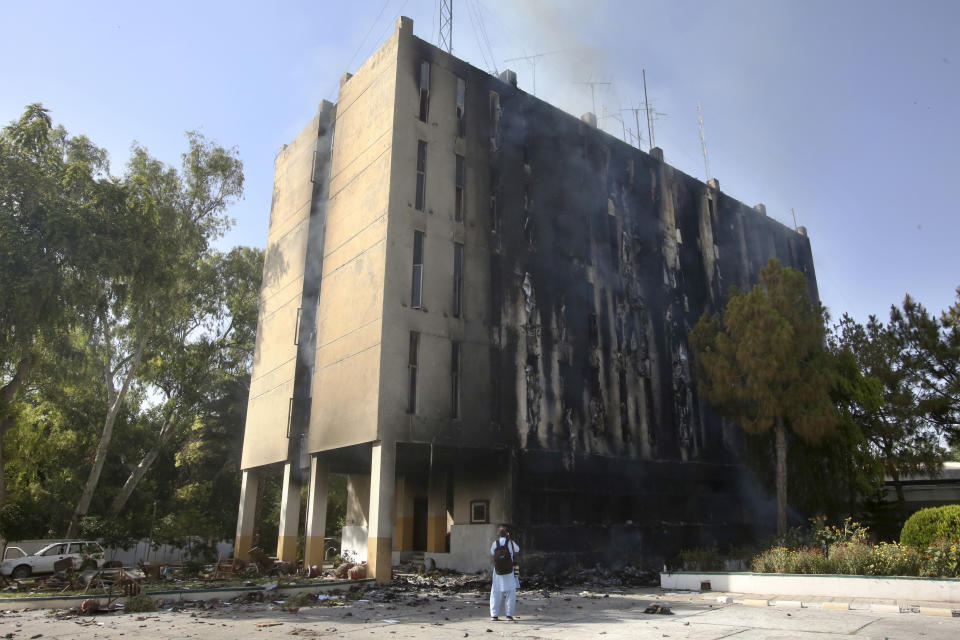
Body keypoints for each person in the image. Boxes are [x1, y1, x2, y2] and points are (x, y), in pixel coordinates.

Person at [489, 526, 519, 621]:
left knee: (495, 592)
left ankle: (494, 615)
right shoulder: (510, 543)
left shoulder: (495, 543)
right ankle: (509, 615)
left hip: (498, 571)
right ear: (507, 534)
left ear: (498, 535)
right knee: (511, 592)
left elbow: (492, 553)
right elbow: (517, 550)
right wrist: (510, 540)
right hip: (509, 571)